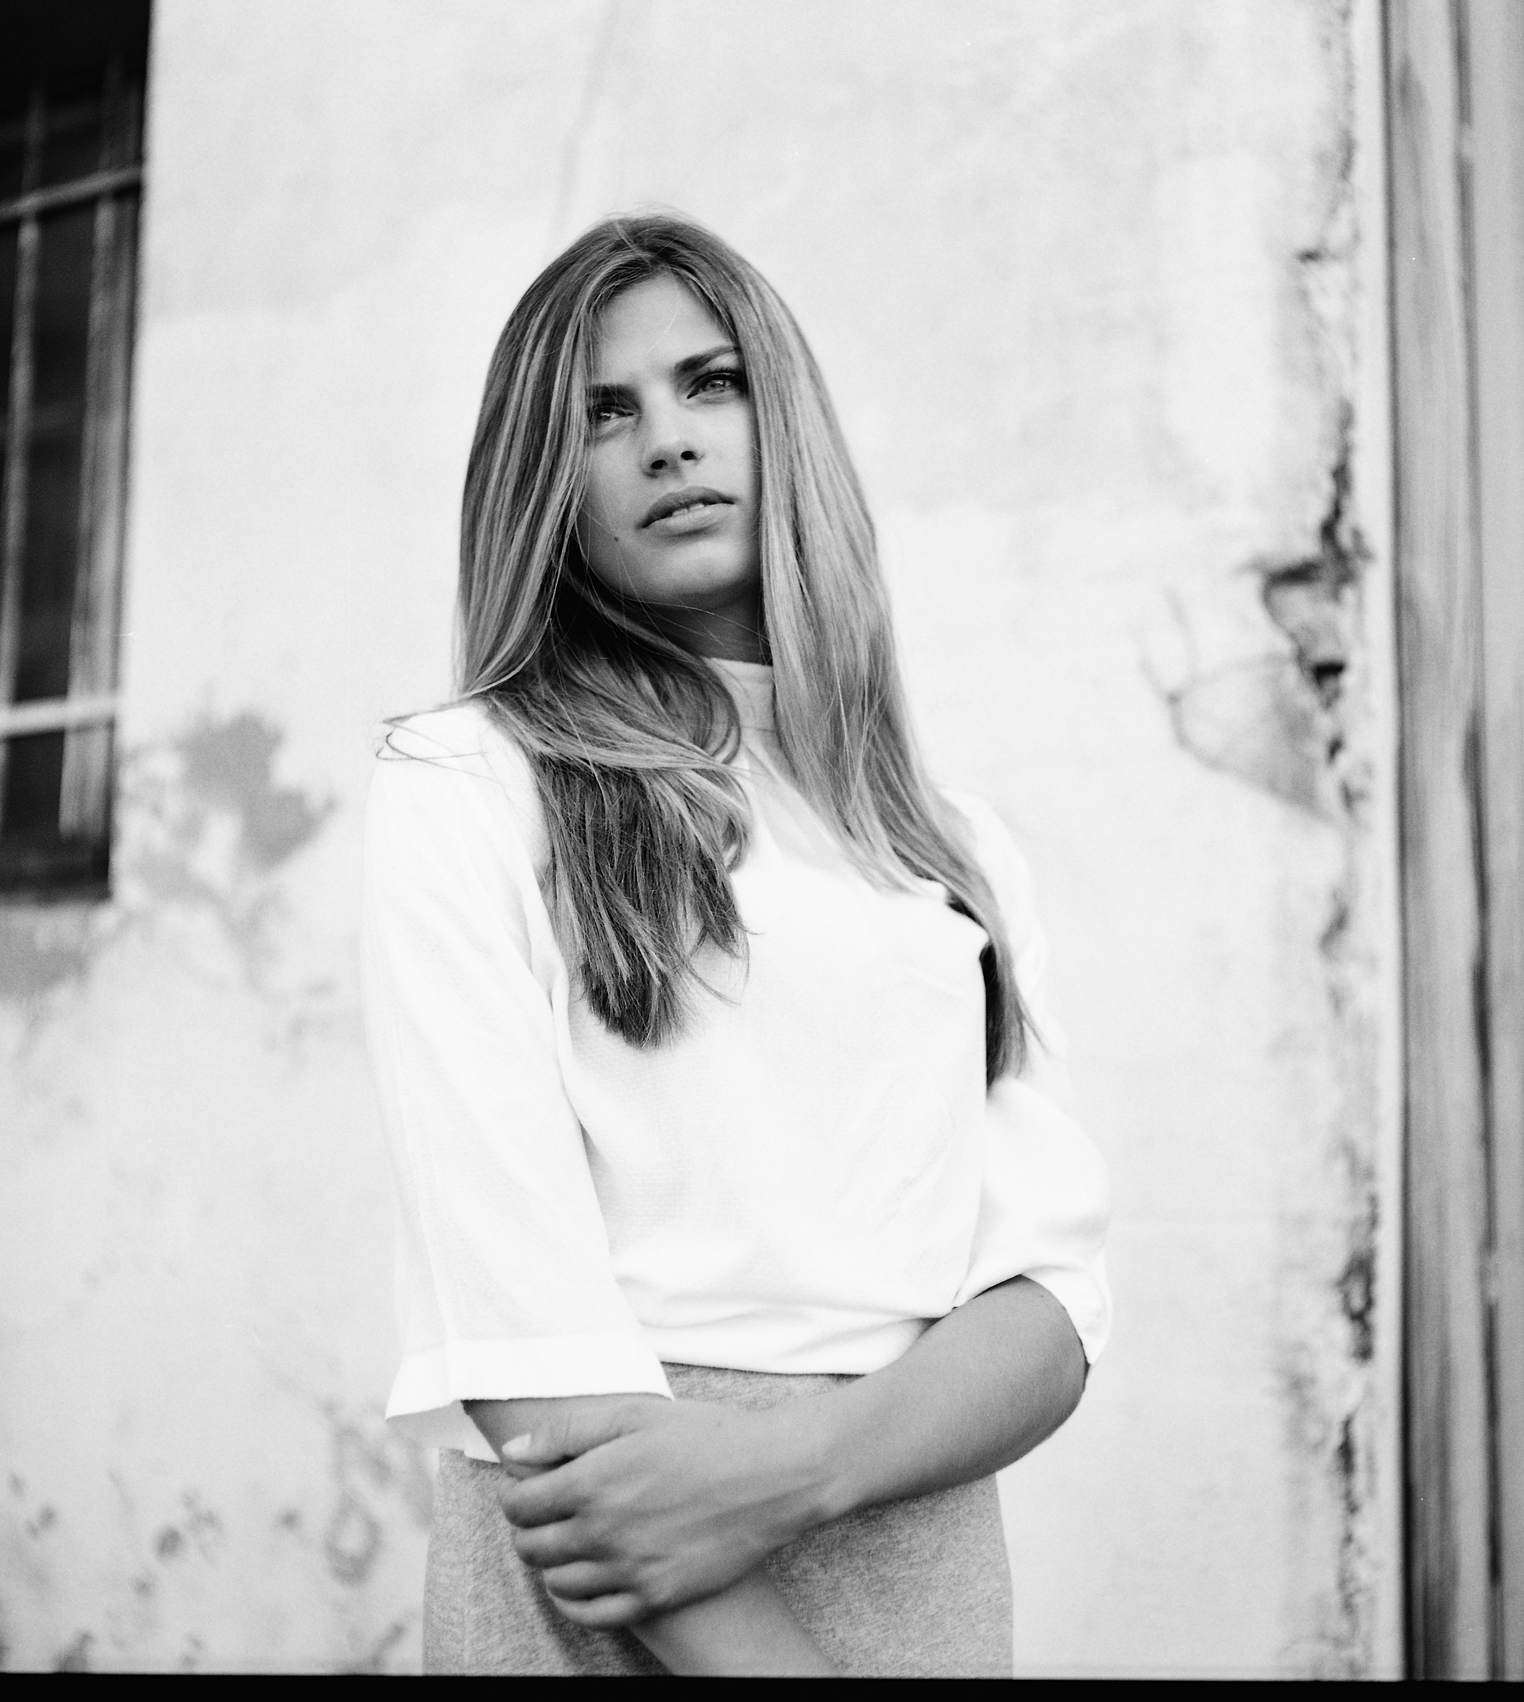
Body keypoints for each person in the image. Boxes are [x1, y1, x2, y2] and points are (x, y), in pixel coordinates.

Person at [360, 213, 1112, 1677]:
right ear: (545, 483)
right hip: (610, 1566)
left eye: (711, 383)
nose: (669, 440)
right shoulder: (468, 781)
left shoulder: (949, 843)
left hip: (915, 1544)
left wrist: (802, 1471)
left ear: (784, 418)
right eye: (603, 413)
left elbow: (1054, 1301)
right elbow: (521, 1338)